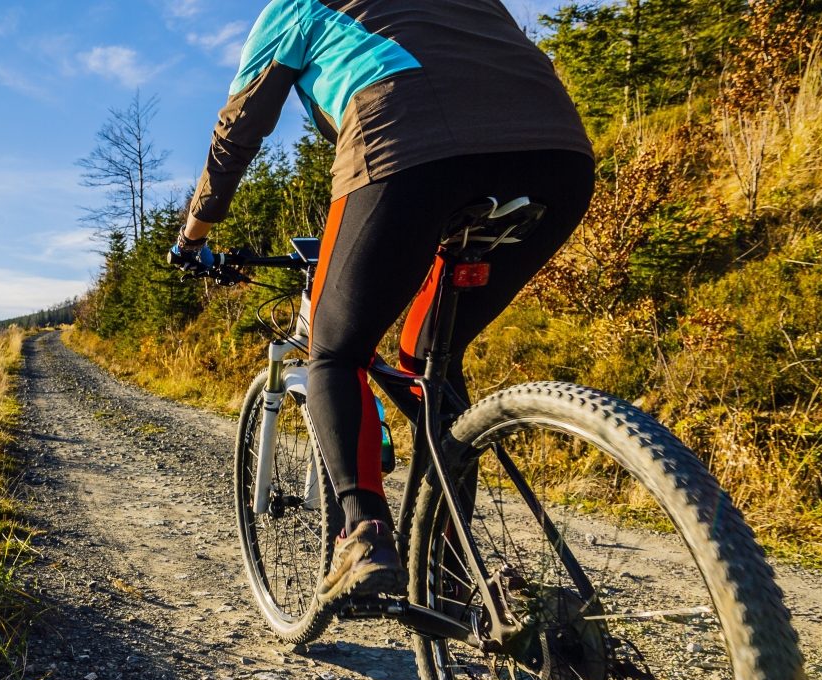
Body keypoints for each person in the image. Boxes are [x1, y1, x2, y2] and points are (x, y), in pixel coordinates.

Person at [169, 0, 595, 604]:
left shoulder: (293, 9)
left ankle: (364, 536)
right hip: (558, 155)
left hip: (409, 142)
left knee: (334, 351)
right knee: (430, 359)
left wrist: (193, 238)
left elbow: (237, 131)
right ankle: (447, 570)